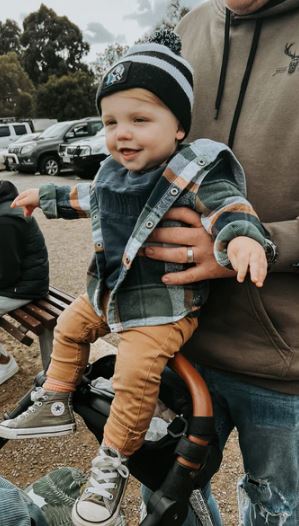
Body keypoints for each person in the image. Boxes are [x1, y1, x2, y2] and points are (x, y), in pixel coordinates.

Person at [0, 31, 271, 526]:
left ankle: (113, 461)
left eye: (139, 120)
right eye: (110, 121)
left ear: (178, 128)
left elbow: (230, 208)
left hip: (165, 308)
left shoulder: (194, 172)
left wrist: (244, 240)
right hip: (112, 295)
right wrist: (45, 196)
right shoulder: (112, 172)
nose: (121, 133)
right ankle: (56, 399)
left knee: (133, 372)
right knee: (70, 327)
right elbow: (86, 197)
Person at [140, 2, 299, 525]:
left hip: (282, 363)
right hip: (175, 344)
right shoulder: (185, 27)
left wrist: (257, 244)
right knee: (164, 502)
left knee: (278, 512)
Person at [0, 180, 49, 385]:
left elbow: (8, 273)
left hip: (26, 287)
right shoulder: (6, 206)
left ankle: (4, 363)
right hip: (18, 281)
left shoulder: (5, 220)